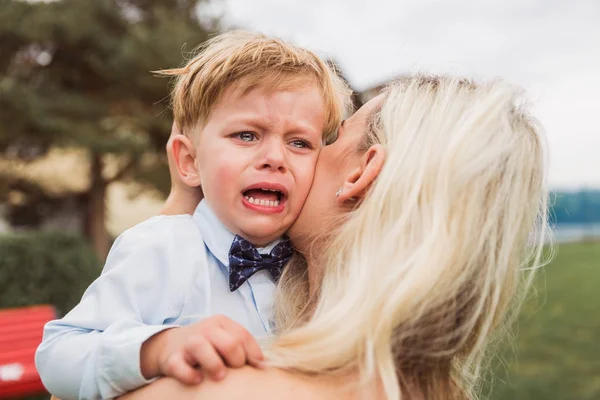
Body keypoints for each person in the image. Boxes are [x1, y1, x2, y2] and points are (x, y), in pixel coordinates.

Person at [121, 76, 551, 400]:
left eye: (328, 139)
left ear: (359, 173)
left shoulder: (224, 387)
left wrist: (183, 198)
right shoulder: (441, 389)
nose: (283, 160)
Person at [35, 30, 350, 400]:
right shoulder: (162, 247)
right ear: (189, 161)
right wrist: (160, 348)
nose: (276, 158)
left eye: (299, 142)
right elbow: (58, 354)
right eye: (247, 135)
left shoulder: (316, 266)